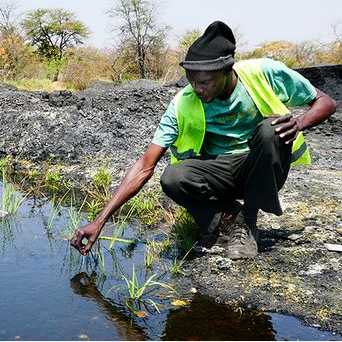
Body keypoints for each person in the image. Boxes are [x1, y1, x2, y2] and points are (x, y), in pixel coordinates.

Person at [71, 21, 336, 259]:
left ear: (227, 70)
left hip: (261, 167)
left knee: (270, 129)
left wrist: (299, 123)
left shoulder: (263, 72)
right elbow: (144, 165)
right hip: (217, 173)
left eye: (205, 82)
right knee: (172, 177)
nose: (197, 89)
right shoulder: (183, 103)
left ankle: (248, 220)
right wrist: (100, 220)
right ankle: (230, 218)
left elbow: (326, 102)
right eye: (192, 81)